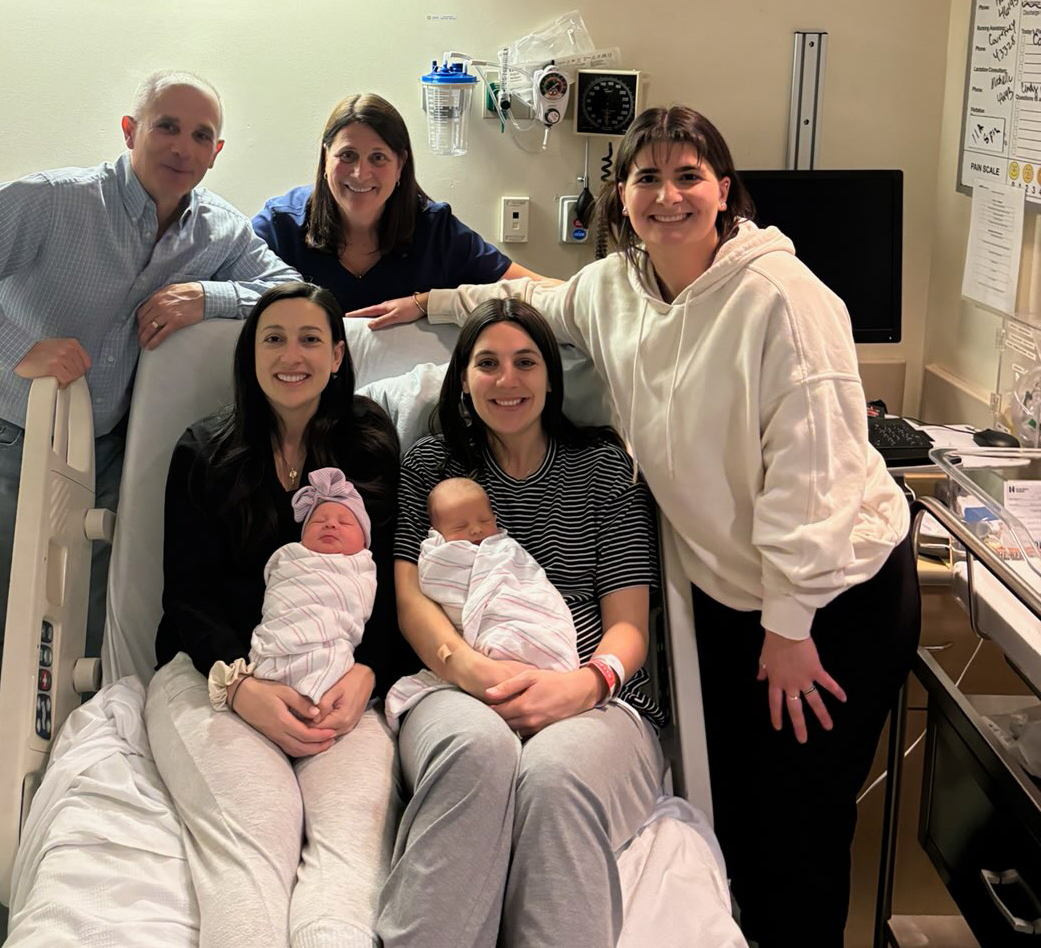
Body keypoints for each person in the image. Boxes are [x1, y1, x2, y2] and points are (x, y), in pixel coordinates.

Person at [372, 105, 921, 948]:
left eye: (688, 175)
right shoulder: (616, 289)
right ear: (620, 198)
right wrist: (439, 301)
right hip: (730, 597)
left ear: (724, 190)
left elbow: (815, 479)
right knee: (734, 816)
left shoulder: (782, 299)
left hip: (825, 602)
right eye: (647, 178)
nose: (668, 196)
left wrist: (789, 624)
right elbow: (536, 303)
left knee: (799, 832)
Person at [0, 69, 299, 754]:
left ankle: (72, 775)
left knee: (88, 621)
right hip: (7, 434)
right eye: (166, 126)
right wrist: (18, 348)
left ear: (216, 152)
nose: (181, 145)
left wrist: (205, 296)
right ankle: (11, 788)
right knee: (10, 613)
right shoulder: (53, 202)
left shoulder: (219, 233)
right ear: (129, 131)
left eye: (200, 135)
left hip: (108, 444)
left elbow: (292, 289)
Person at [376, 299, 665, 948]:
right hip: (457, 684)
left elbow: (630, 627)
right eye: (488, 364)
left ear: (550, 378)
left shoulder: (603, 468)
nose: (508, 381)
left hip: (596, 696)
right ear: (463, 380)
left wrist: (586, 684)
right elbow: (412, 601)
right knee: (477, 753)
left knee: (556, 779)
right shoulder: (432, 466)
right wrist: (474, 672)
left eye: (526, 362)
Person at [145, 281, 417, 948]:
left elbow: (390, 575)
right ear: (250, 355)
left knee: (351, 854)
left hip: (340, 681)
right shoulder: (203, 450)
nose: (290, 355)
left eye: (309, 339)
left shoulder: (370, 441)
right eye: (273, 338)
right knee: (254, 841)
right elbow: (186, 594)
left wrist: (370, 675)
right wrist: (242, 689)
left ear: (336, 357)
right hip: (212, 676)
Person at [252, 92, 543, 318]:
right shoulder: (281, 226)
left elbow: (542, 293)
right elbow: (217, 290)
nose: (360, 174)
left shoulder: (435, 232)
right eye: (347, 155)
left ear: (400, 164)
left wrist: (428, 303)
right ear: (325, 158)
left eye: (378, 157)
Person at [383, 477, 580, 731]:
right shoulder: (441, 556)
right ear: (437, 533)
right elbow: (426, 591)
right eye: (460, 526)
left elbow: (530, 582)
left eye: (485, 521)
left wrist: (593, 680)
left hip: (563, 669)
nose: (476, 530)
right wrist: (472, 667)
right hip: (478, 667)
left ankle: (546, 660)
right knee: (475, 741)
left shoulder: (505, 548)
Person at [227, 467, 377, 705]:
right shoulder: (291, 557)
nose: (330, 525)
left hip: (329, 646)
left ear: (365, 541)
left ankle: (313, 695)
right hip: (276, 638)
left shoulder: (361, 567)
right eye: (319, 520)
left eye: (344, 522)